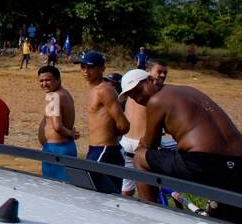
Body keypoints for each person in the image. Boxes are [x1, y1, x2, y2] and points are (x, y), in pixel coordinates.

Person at [122, 69, 242, 224]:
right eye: (132, 96)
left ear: (151, 80)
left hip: (203, 162)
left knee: (140, 158)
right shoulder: (189, 91)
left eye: (138, 90)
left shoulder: (156, 100)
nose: (138, 97)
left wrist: (140, 148)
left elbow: (150, 145)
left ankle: (150, 220)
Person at [120, 58, 172, 201]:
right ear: (147, 73)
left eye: (165, 73)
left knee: (127, 189)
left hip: (126, 143)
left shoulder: (133, 89)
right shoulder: (153, 92)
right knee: (151, 188)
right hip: (141, 145)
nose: (162, 75)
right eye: (159, 72)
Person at [79, 50, 130, 194]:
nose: (86, 71)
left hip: (105, 150)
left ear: (102, 68)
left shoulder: (105, 90)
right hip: (96, 149)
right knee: (93, 193)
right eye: (83, 67)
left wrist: (109, 136)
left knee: (99, 194)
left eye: (90, 67)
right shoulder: (94, 89)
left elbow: (124, 125)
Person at [36, 65, 78, 181]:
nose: (44, 84)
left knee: (54, 188)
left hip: (56, 149)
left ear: (58, 79)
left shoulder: (53, 96)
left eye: (48, 80)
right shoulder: (65, 93)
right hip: (67, 147)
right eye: (41, 81)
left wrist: (70, 133)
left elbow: (57, 126)